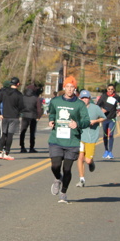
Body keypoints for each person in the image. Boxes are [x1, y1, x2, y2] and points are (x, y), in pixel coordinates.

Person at [46, 76, 89, 204]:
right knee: (55, 166)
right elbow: (52, 113)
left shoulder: (80, 104)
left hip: (72, 141)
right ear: (64, 87)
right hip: (56, 139)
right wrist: (51, 120)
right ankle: (57, 178)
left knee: (67, 169)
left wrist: (78, 124)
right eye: (68, 87)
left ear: (75, 89)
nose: (70, 89)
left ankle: (63, 193)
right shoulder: (55, 101)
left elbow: (86, 121)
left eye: (72, 87)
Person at [76, 90, 104, 188]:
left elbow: (103, 117)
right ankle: (81, 179)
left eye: (86, 98)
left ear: (89, 98)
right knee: (80, 157)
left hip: (91, 136)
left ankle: (91, 163)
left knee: (87, 160)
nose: (84, 100)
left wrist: (95, 121)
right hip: (80, 136)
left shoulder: (95, 108)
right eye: (82, 98)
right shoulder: (77, 107)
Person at [0, 77, 24, 161]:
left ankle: (0, 152)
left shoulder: (4, 92)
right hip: (14, 116)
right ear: (18, 84)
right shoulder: (19, 94)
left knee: (4, 134)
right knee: (10, 135)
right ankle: (7, 153)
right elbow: (21, 106)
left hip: (5, 116)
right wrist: (19, 113)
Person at [96, 84, 120, 159]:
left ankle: (110, 152)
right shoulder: (103, 96)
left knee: (110, 135)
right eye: (109, 89)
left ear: (114, 90)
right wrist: (101, 110)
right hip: (104, 118)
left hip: (112, 118)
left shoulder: (116, 97)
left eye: (112, 89)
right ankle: (106, 150)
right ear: (107, 89)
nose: (110, 90)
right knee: (105, 135)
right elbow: (97, 105)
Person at [19, 82, 41, 153]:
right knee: (32, 133)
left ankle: (22, 147)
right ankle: (31, 147)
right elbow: (39, 109)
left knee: (23, 131)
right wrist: (38, 116)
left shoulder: (23, 97)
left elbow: (19, 106)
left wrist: (21, 113)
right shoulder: (36, 98)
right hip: (33, 116)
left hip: (24, 116)